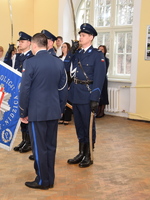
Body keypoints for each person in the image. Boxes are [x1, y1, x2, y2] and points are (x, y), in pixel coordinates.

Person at [20, 33, 67, 190]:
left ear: (34, 45)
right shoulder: (58, 62)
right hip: (53, 111)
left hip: (37, 112)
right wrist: (60, 109)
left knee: (39, 147)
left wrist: (23, 112)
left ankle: (42, 180)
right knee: (50, 146)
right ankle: (50, 179)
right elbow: (62, 89)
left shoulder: (30, 62)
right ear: (47, 44)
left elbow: (25, 90)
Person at [65, 23, 106, 168]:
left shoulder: (97, 55)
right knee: (79, 126)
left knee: (88, 126)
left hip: (88, 94)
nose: (80, 38)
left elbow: (100, 78)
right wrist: (71, 53)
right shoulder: (77, 54)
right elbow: (66, 70)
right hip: (76, 93)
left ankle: (88, 154)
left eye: (83, 35)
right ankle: (81, 152)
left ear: (91, 37)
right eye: (80, 35)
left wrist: (95, 97)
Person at [12, 31, 34, 153]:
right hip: (19, 91)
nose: (20, 43)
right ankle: (24, 140)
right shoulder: (19, 56)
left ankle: (29, 142)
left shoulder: (32, 57)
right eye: (19, 41)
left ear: (29, 43)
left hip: (28, 91)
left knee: (27, 115)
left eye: (22, 41)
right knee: (21, 115)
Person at [59, 42, 73, 125]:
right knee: (61, 100)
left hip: (68, 79)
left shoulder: (70, 58)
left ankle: (67, 117)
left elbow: (71, 73)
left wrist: (70, 84)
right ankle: (61, 117)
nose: (63, 48)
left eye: (65, 47)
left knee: (67, 100)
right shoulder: (59, 58)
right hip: (60, 80)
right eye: (62, 47)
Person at [96, 45, 109, 118]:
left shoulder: (106, 60)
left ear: (104, 51)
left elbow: (104, 70)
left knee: (103, 96)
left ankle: (102, 111)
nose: (101, 51)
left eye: (102, 49)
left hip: (103, 79)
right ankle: (97, 111)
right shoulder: (96, 59)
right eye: (99, 49)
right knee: (98, 95)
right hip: (96, 79)